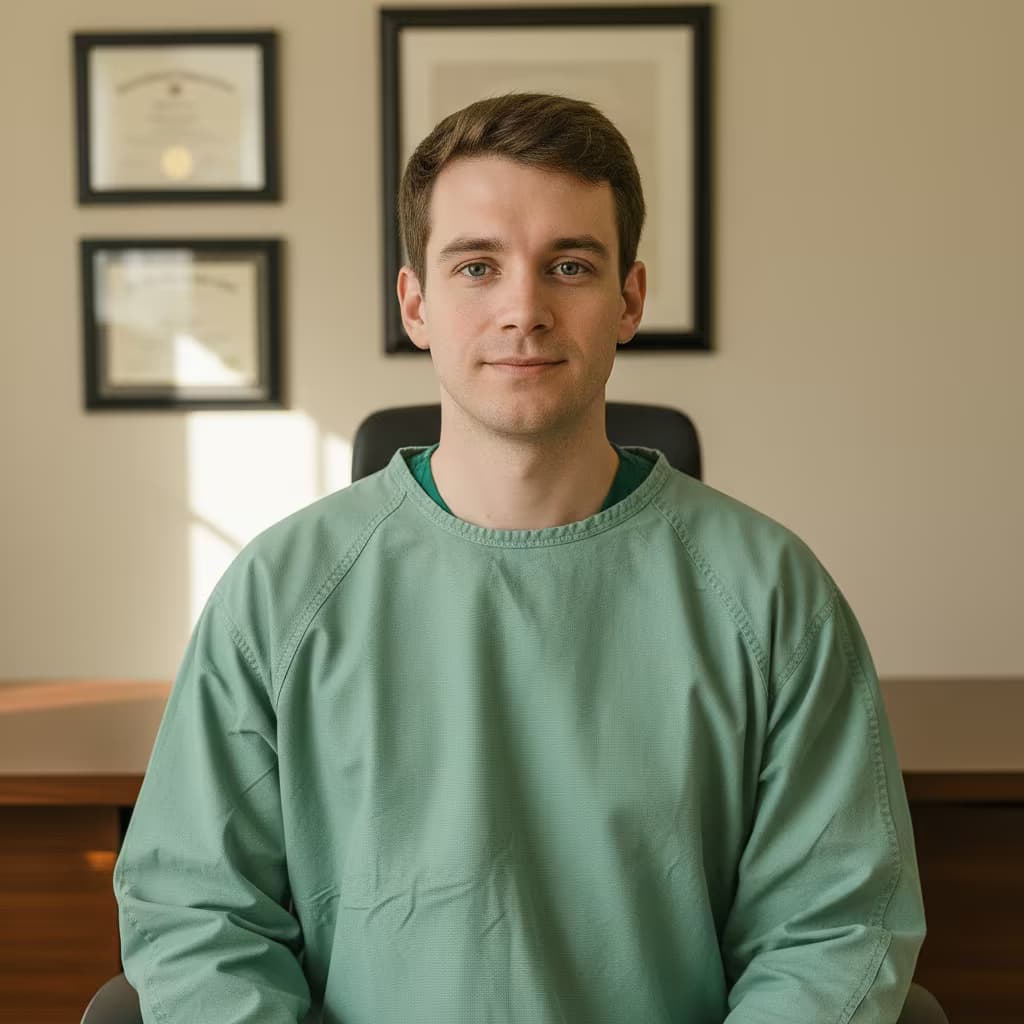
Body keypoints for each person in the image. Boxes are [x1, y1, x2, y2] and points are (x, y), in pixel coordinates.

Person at [114, 93, 926, 1023]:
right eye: (477, 266)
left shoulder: (772, 593)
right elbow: (194, 915)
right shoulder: (278, 592)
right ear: (416, 303)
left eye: (569, 265)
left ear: (629, 300)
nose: (524, 310)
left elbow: (835, 931)